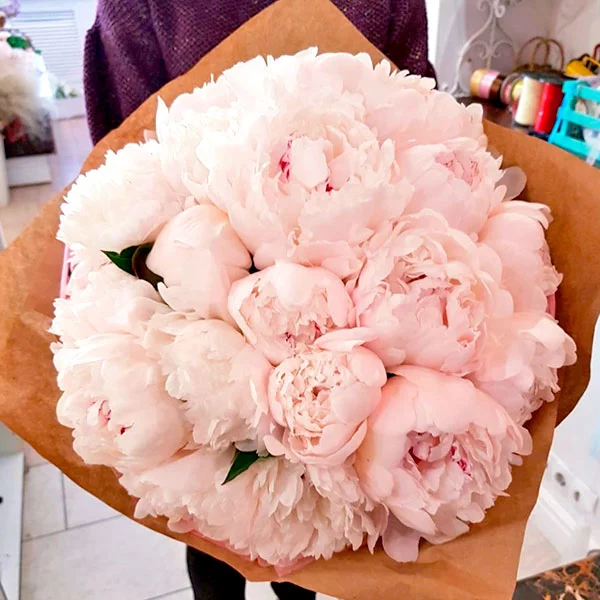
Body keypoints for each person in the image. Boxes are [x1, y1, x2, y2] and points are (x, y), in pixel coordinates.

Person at [83, 2, 434, 598]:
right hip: (202, 307)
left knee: (273, 515)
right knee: (257, 514)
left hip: (342, 312)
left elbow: (121, 143)